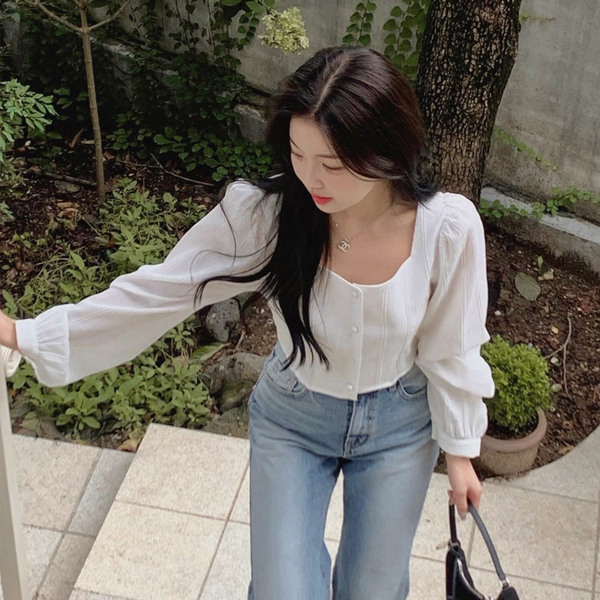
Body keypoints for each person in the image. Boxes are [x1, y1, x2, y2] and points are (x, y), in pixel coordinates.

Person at [0, 46, 494, 600]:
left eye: (332, 164)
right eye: (298, 153)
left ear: (386, 150)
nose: (311, 177)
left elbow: (451, 346)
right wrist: (25, 333)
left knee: (373, 591)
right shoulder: (268, 215)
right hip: (295, 416)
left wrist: (460, 451)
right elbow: (162, 291)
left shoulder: (445, 229)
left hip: (399, 426)